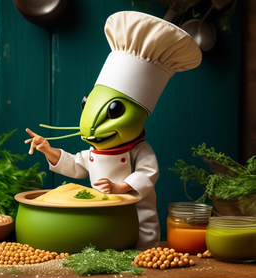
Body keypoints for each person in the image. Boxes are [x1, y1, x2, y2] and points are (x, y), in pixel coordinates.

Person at [25, 11, 202, 250]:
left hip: (136, 213)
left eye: (115, 109)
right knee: (105, 243)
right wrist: (49, 150)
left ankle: (143, 254)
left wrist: (122, 188)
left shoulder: (140, 150)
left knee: (142, 240)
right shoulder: (93, 151)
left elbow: (149, 173)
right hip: (101, 217)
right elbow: (77, 165)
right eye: (86, 104)